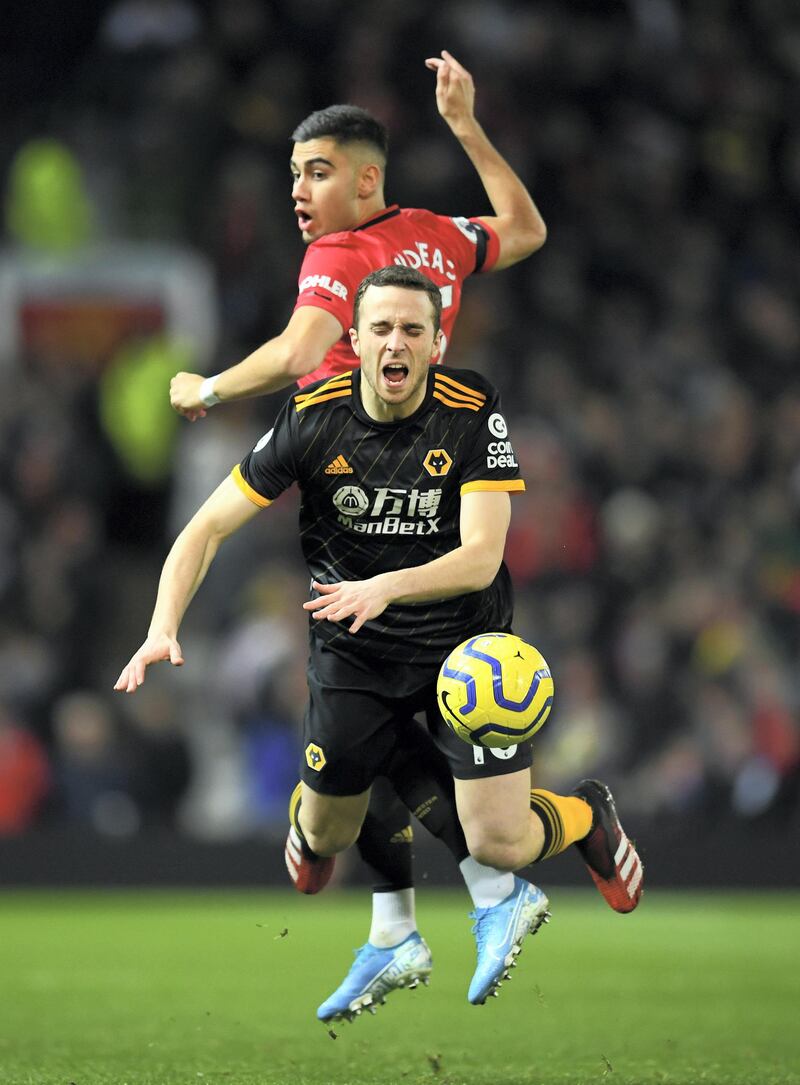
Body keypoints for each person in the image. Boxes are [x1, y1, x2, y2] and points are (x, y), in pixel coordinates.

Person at [117, 268, 643, 1022]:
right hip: (355, 646)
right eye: (382, 328)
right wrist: (161, 626)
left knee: (501, 842)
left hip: (466, 647)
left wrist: (386, 585)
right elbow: (204, 528)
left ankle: (588, 816)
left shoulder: (470, 410)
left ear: (435, 343)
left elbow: (482, 556)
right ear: (355, 340)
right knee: (326, 825)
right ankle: (342, 826)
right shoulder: (312, 417)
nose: (396, 342)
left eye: (413, 330)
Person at [170, 48, 555, 1005]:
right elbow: (525, 229)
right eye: (294, 175)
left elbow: (304, 348)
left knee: (358, 707)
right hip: (424, 474)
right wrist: (467, 125)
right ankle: (424, 914)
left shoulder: (337, 258)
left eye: (317, 172)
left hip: (360, 480)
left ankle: (493, 880)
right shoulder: (432, 234)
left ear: (366, 176)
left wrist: (208, 388)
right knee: (370, 713)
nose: (299, 193)